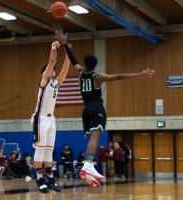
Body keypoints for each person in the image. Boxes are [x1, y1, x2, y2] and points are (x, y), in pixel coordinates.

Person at [55, 29, 155, 188]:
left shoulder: (80, 72)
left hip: (86, 109)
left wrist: (64, 44)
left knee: (93, 138)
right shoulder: (97, 77)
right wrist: (139, 74)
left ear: (85, 63)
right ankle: (88, 165)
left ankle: (89, 165)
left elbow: (73, 59)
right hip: (96, 107)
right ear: (95, 65)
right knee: (96, 137)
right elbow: (118, 77)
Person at [30, 41, 71, 193]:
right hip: (40, 119)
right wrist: (54, 47)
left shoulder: (55, 83)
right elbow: (52, 61)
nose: (54, 71)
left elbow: (65, 70)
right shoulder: (44, 81)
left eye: (54, 70)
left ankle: (50, 177)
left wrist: (68, 54)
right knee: (40, 150)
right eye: (51, 70)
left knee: (49, 150)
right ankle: (39, 179)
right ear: (46, 72)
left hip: (51, 119)